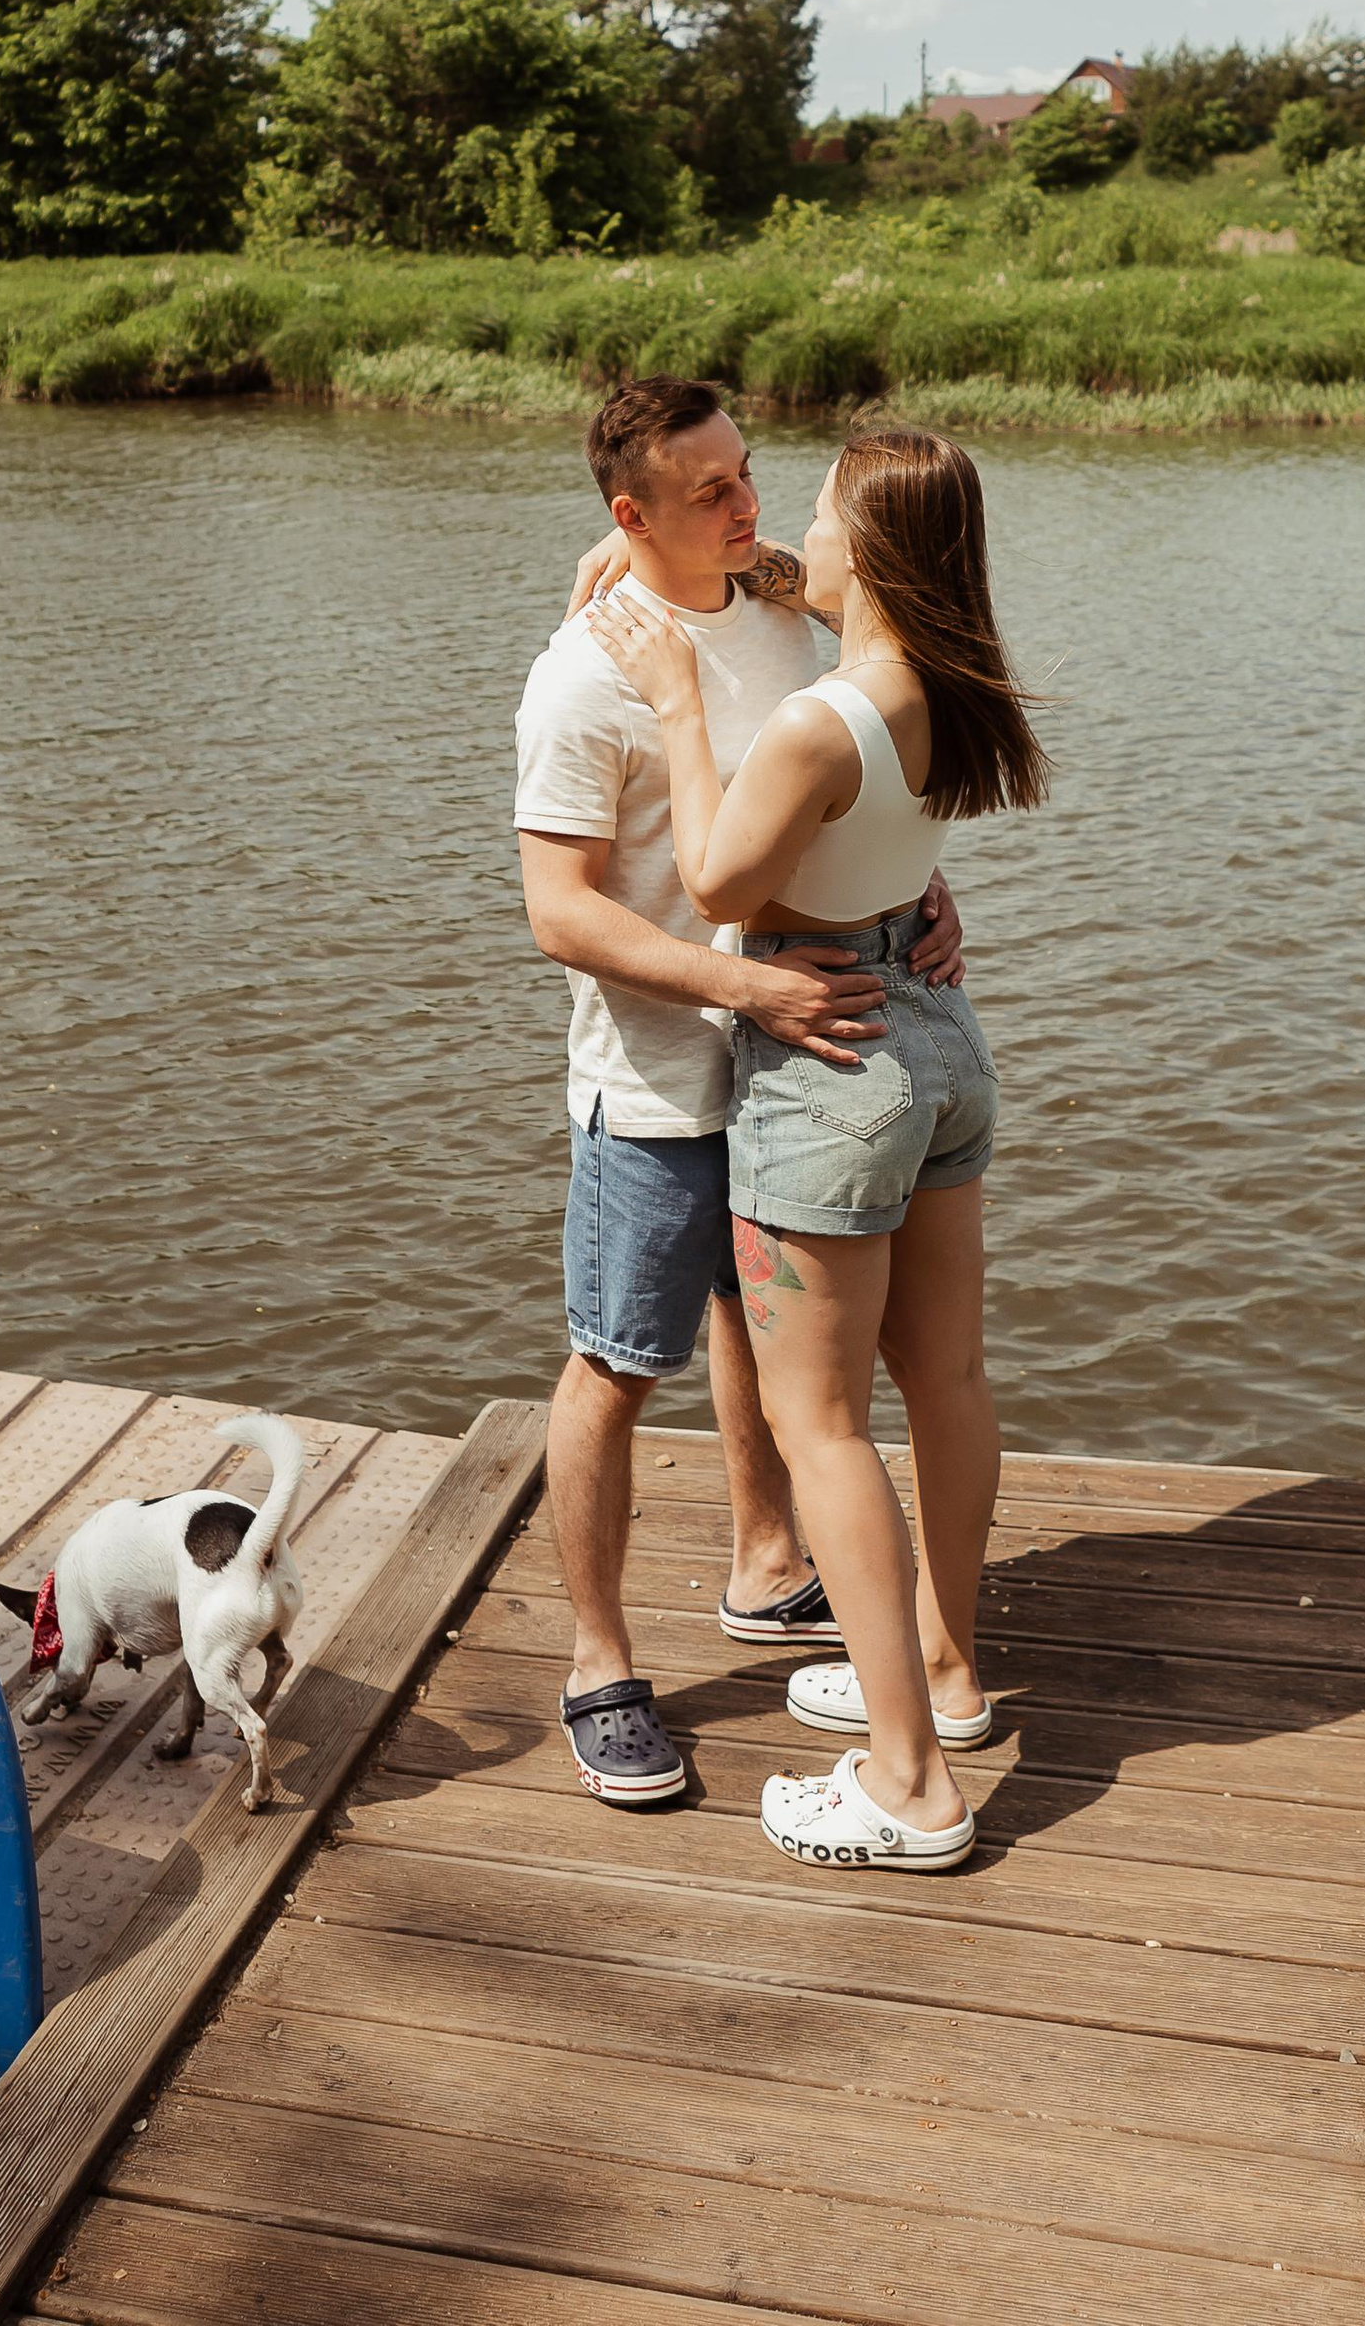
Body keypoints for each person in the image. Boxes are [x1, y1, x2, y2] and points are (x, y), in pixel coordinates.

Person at [590, 422, 1047, 1873]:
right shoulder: (957, 685)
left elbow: (721, 880)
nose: (793, 527)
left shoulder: (816, 723)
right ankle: (949, 1680)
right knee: (950, 1380)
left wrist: (673, 694)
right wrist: (694, 563)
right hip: (938, 1039)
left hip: (828, 1059)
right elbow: (809, 590)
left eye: (824, 514)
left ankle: (905, 1786)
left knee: (824, 1424)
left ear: (877, 551)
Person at [515, 378, 969, 1810]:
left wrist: (919, 885)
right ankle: (598, 1664)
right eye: (707, 492)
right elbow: (559, 914)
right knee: (614, 1358)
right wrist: (747, 987)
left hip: (807, 1072)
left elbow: (873, 743)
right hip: (664, 1077)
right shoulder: (585, 673)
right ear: (628, 514)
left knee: (747, 1321)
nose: (749, 508)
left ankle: (767, 1564)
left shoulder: (782, 600)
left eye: (749, 474)